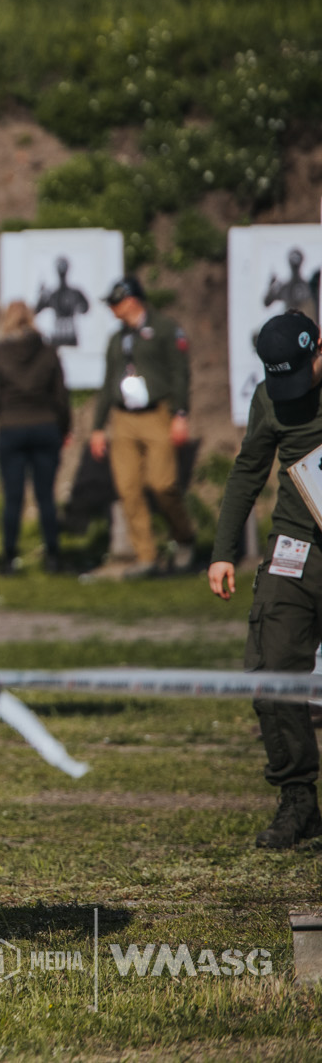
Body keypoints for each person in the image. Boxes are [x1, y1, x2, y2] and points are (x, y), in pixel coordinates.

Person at [208, 312, 322, 849]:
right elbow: (249, 468)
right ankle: (298, 799)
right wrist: (223, 552)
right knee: (270, 668)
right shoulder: (269, 399)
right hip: (296, 548)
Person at [86, 277, 197, 579]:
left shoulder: (165, 330)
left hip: (157, 413)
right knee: (128, 487)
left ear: (131, 300)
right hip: (123, 418)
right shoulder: (115, 339)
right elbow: (108, 383)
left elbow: (180, 373)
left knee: (163, 483)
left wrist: (180, 414)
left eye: (115, 302)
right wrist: (97, 427)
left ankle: (185, 537)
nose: (111, 309)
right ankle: (146, 556)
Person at [0, 300, 73, 574]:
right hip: (45, 426)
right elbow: (61, 396)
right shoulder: (48, 351)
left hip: (12, 427)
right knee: (45, 496)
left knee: (13, 498)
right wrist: (64, 428)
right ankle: (54, 556)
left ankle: (9, 558)